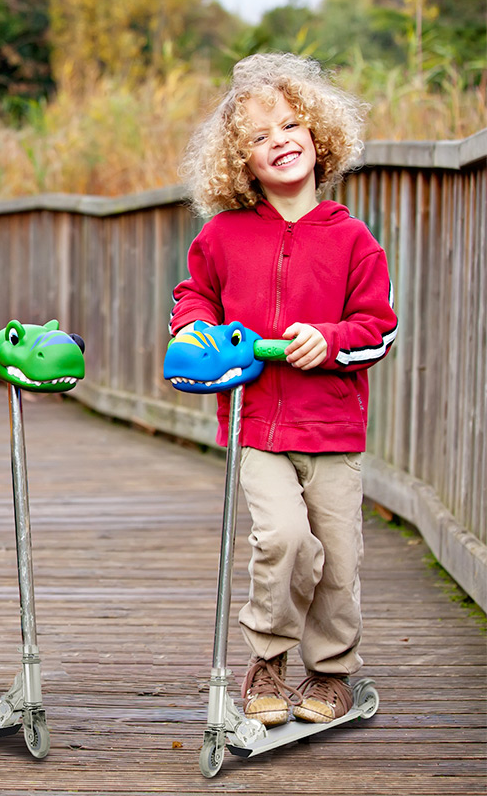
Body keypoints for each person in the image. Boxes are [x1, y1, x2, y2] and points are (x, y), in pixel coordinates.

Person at [169, 54, 398, 727]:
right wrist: (193, 331)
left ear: (319, 136)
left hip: (331, 427)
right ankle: (267, 658)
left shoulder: (355, 241)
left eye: (292, 125)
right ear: (241, 162)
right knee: (284, 540)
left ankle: (330, 672)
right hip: (256, 421)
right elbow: (195, 297)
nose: (281, 142)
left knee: (338, 554)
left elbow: (377, 330)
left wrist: (327, 341)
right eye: (261, 138)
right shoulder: (222, 236)